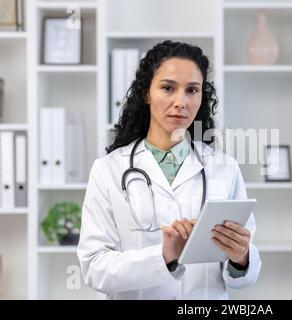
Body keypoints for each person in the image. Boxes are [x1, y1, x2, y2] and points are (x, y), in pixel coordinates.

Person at [77, 40, 261, 299]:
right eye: (167, 88)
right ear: (146, 93)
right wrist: (163, 257)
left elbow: (245, 274)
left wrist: (241, 258)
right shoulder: (108, 170)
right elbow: (94, 268)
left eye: (192, 90)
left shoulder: (225, 169)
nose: (181, 102)